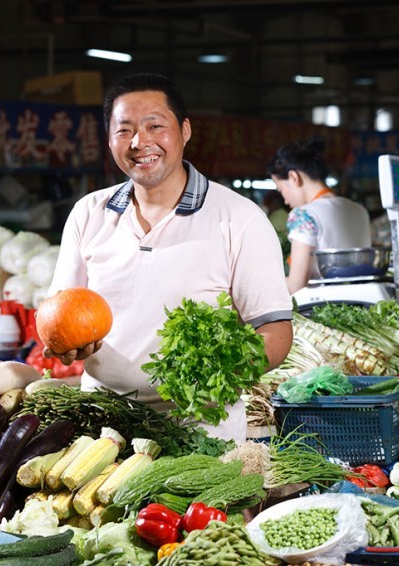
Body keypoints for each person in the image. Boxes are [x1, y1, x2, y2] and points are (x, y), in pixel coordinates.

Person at [45, 73, 294, 442]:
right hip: (102, 426)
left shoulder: (239, 218)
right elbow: (61, 311)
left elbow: (275, 330)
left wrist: (218, 373)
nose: (139, 142)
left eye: (154, 126)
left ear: (185, 130)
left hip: (201, 428)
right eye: (124, 130)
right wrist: (66, 346)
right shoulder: (89, 213)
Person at [268, 137, 372, 293]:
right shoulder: (359, 210)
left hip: (320, 308)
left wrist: (254, 289)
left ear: (294, 177)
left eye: (281, 189)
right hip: (360, 303)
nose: (285, 200)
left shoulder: (304, 215)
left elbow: (296, 285)